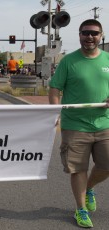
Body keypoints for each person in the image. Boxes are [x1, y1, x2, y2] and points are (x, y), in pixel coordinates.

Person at [49, 19, 109, 228]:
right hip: (75, 126)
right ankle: (80, 209)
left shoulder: (108, 60)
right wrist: (55, 111)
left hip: (104, 124)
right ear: (80, 35)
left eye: (94, 33)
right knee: (78, 169)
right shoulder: (69, 61)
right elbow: (55, 88)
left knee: (106, 165)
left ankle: (90, 187)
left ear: (101, 36)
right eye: (85, 33)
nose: (89, 37)